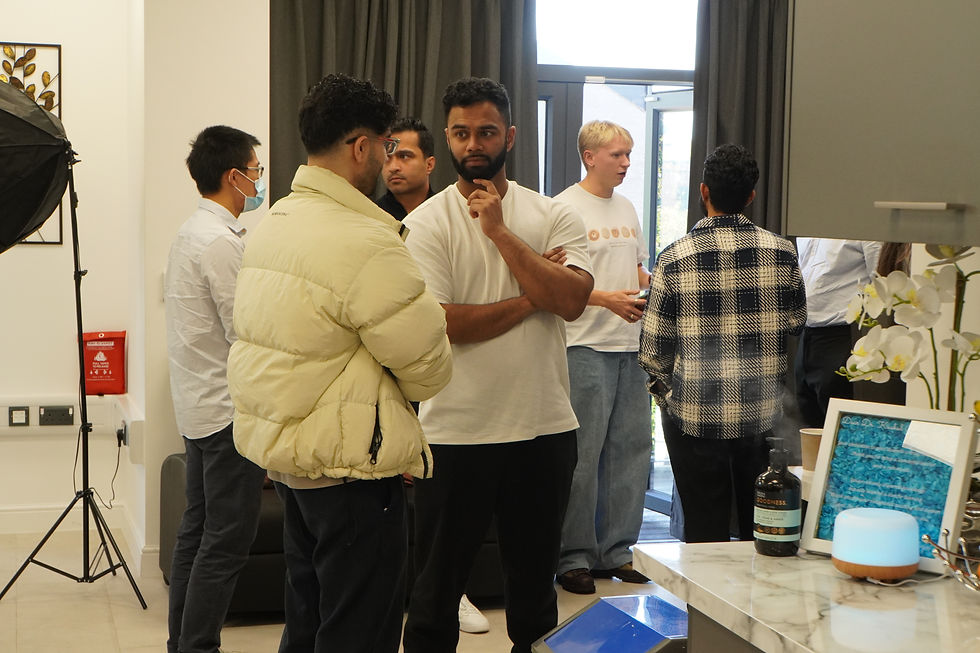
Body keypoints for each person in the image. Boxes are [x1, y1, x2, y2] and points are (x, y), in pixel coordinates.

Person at [227, 74, 453, 653]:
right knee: (358, 633)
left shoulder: (274, 222)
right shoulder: (366, 240)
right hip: (352, 471)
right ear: (360, 147)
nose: (387, 159)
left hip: (295, 464)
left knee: (307, 623)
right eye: (386, 146)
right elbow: (429, 366)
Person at [401, 77, 594, 653]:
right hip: (455, 432)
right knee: (434, 599)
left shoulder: (552, 213)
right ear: (447, 139)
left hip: (543, 429)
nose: (473, 144)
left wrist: (500, 232)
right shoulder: (427, 223)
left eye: (486, 132)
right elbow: (444, 323)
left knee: (535, 600)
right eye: (461, 133)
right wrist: (535, 293)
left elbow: (573, 300)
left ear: (509, 136)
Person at [638, 144, 806, 544]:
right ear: (751, 196)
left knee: (703, 533)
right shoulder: (782, 252)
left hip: (694, 416)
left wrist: (667, 398)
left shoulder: (674, 257)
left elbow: (653, 351)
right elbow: (796, 322)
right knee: (764, 531)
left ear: (704, 191)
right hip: (763, 415)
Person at [376, 115, 491, 636]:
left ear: (429, 162)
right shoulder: (374, 222)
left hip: (454, 379)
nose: (393, 165)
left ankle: (452, 593)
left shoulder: (461, 216)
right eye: (387, 154)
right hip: (391, 376)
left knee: (449, 511)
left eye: (404, 155)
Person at [164, 125, 268, 653]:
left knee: (197, 531)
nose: (259, 180)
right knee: (226, 541)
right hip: (227, 412)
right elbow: (243, 330)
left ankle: (183, 644)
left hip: (197, 406)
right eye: (255, 170)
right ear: (234, 176)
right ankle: (199, 646)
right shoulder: (221, 243)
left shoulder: (191, 232)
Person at [553, 120, 652, 595]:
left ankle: (618, 552)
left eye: (629, 154)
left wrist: (659, 284)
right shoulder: (563, 208)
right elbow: (556, 283)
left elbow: (637, 268)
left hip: (630, 346)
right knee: (582, 457)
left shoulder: (628, 207)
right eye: (617, 154)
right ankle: (573, 556)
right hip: (584, 345)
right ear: (589, 156)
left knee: (631, 452)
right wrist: (606, 299)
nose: (626, 163)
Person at [794, 238, 881, 428]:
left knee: (840, 426)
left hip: (843, 335)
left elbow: (882, 281)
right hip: (806, 335)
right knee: (808, 426)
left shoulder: (865, 227)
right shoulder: (807, 226)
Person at [377, 117, 437, 220]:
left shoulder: (447, 214)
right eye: (387, 158)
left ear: (429, 165)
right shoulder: (371, 217)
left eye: (404, 156)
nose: (393, 167)